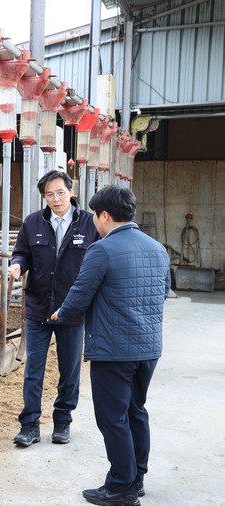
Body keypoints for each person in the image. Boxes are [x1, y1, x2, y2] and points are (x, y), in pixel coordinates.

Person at [51, 185, 170, 506]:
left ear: (104, 216)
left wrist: (62, 313)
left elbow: (80, 293)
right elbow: (162, 292)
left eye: (93, 214)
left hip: (114, 348)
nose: (92, 220)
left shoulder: (102, 249)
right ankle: (137, 477)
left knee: (112, 417)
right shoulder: (158, 248)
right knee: (136, 410)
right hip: (148, 347)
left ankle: (120, 486)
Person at [8, 170, 99, 447]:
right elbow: (22, 252)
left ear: (71, 191)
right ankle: (30, 425)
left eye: (60, 192)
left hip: (72, 311)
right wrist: (17, 265)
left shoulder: (90, 223)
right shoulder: (33, 221)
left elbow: (100, 258)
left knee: (69, 369)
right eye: (49, 194)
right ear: (43, 197)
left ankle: (62, 421)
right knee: (33, 369)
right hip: (38, 307)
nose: (55, 198)